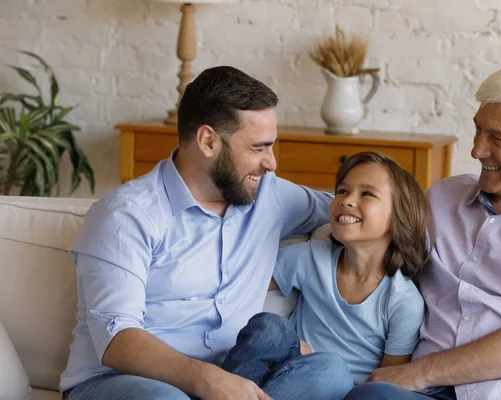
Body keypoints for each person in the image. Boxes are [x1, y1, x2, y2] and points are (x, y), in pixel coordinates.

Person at [59, 66, 351, 400]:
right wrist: (208, 381)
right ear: (208, 140)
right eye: (258, 148)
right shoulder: (127, 214)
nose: (271, 163)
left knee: (330, 373)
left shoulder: (271, 196)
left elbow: (347, 209)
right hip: (121, 382)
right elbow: (116, 341)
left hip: (237, 375)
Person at [345, 59, 501, 400]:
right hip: (430, 394)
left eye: (497, 137)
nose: (477, 150)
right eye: (478, 129)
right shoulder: (443, 198)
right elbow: (366, 218)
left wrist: (416, 373)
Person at [220, 151, 433, 398]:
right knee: (271, 327)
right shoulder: (311, 258)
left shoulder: (403, 302)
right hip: (284, 372)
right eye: (342, 191)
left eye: (367, 193)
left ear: (399, 216)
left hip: (338, 390)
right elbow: (244, 284)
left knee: (330, 367)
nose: (346, 200)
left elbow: (388, 383)